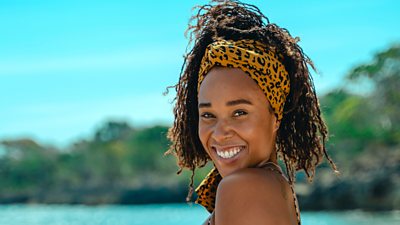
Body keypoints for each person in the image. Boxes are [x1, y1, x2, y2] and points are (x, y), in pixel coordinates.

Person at [166, 1, 338, 224]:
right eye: (208, 115)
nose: (219, 133)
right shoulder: (272, 185)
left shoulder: (246, 188)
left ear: (276, 115)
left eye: (239, 112)